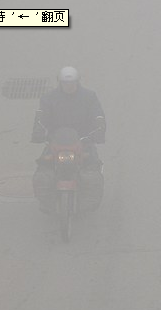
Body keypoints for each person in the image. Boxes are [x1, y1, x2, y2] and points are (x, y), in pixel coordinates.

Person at [31, 67, 106, 213]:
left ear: (78, 82)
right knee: (43, 170)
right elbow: (41, 117)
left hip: (83, 141)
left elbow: (98, 114)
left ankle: (88, 204)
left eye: (72, 82)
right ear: (59, 82)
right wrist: (39, 131)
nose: (69, 85)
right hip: (56, 141)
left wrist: (99, 128)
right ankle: (47, 203)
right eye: (65, 82)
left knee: (92, 169)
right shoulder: (48, 98)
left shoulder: (89, 96)